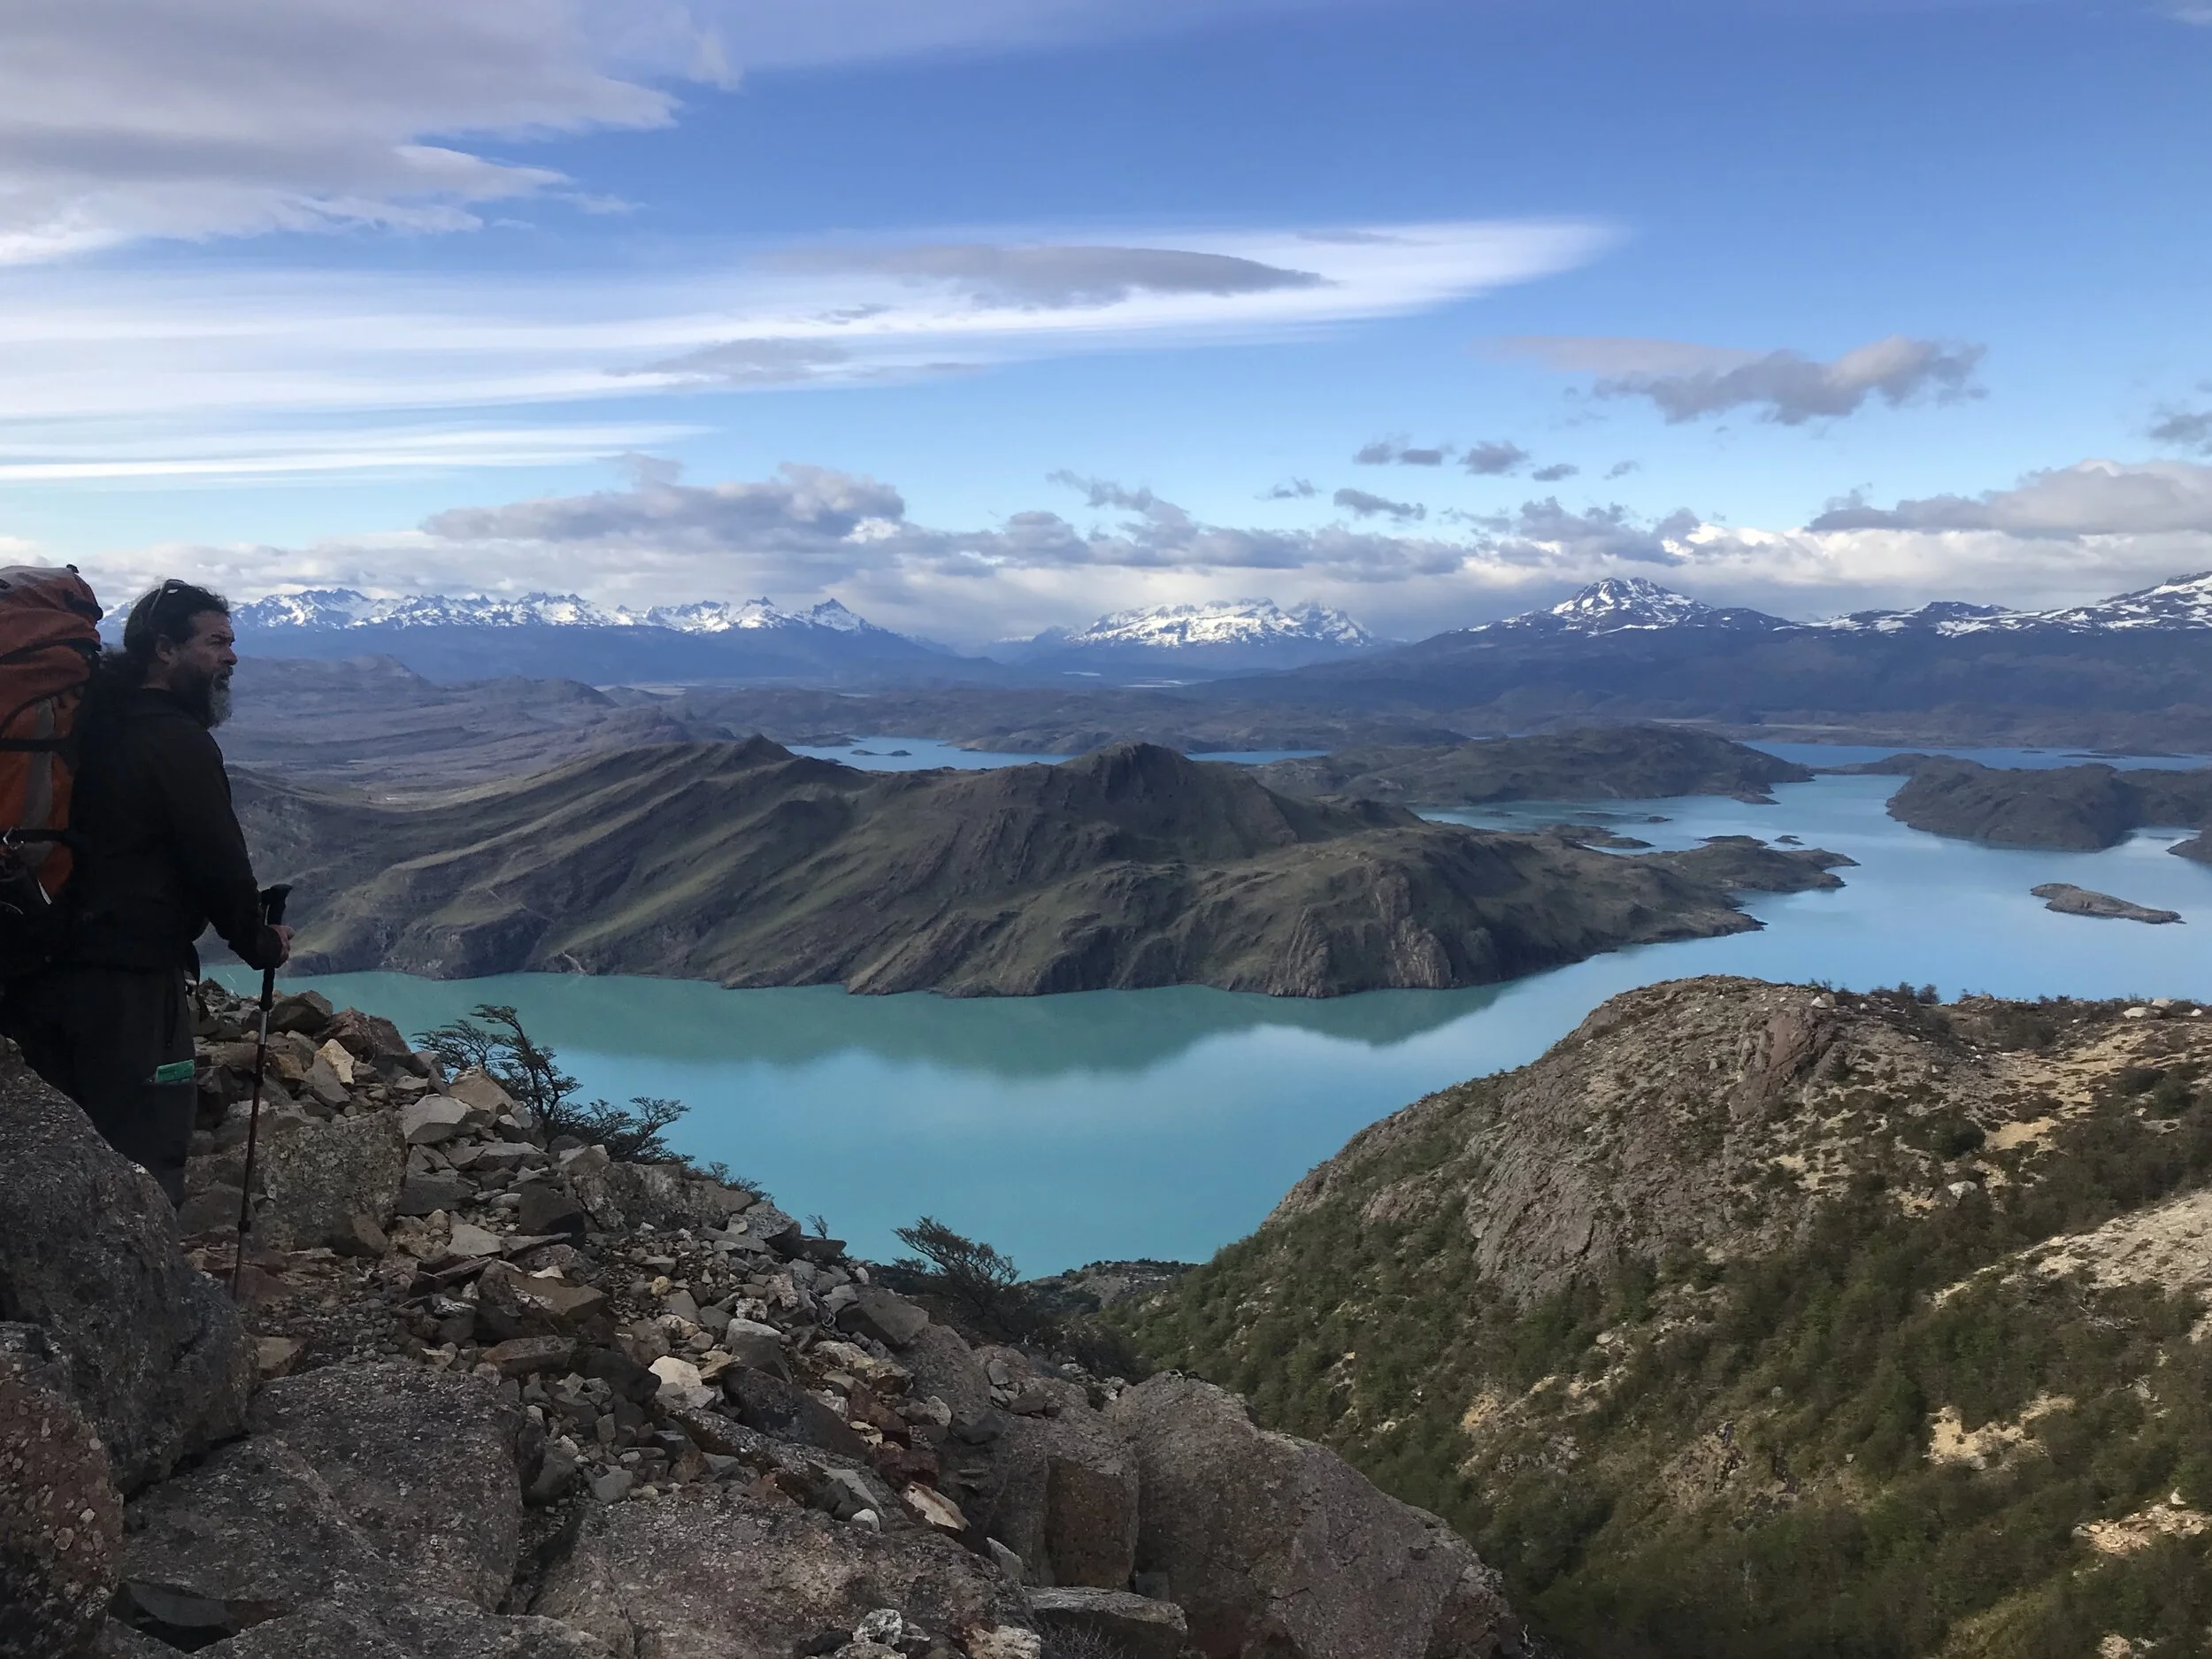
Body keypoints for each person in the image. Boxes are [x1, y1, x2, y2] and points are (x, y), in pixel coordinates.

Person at [0, 580, 290, 1204]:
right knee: (145, 1144)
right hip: (127, 983)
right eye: (217, 643)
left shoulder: (86, 722)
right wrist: (259, 940)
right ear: (165, 649)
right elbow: (217, 860)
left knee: (46, 1148)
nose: (232, 657)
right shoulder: (175, 740)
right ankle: (142, 1264)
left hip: (31, 961)